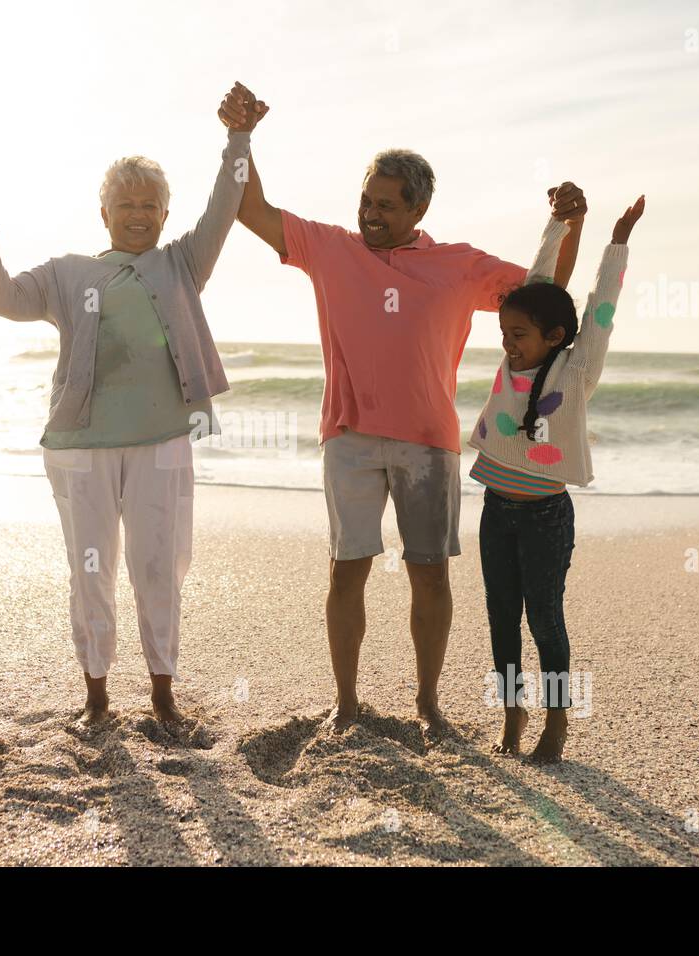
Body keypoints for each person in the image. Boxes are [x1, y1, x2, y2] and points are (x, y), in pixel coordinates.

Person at [224, 84, 586, 734]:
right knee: (346, 574)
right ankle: (346, 703)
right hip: (349, 439)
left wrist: (568, 224)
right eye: (366, 199)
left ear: (419, 207)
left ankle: (427, 703)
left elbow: (547, 293)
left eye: (386, 206)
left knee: (429, 579)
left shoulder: (457, 265)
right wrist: (241, 137)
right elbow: (249, 207)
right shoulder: (328, 248)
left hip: (427, 443)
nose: (370, 214)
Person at [0, 83, 265, 726]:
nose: (138, 213)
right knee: (90, 568)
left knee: (159, 566)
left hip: (163, 441)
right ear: (104, 212)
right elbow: (4, 298)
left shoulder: (183, 264)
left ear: (165, 213)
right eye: (125, 203)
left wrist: (239, 139)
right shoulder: (69, 275)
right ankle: (96, 692)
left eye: (150, 204)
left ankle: (162, 691)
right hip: (80, 448)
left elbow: (225, 207)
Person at [469, 196, 646, 762]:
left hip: (546, 516)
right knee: (500, 616)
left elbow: (600, 307)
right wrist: (560, 224)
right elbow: (537, 280)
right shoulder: (510, 364)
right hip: (497, 510)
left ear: (554, 336)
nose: (507, 341)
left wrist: (616, 240)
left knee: (544, 617)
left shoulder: (577, 370)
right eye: (505, 331)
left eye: (519, 334)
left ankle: (557, 718)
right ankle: (510, 712)